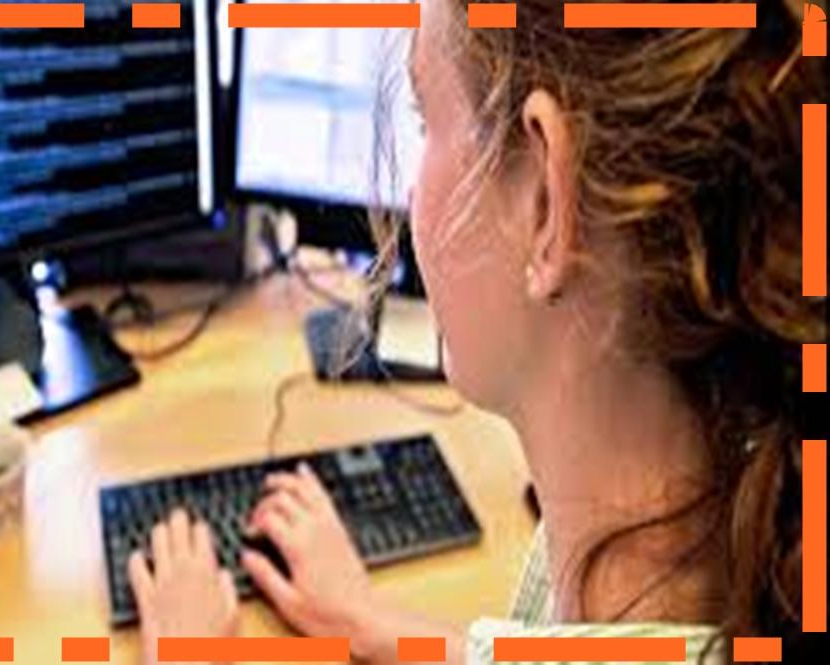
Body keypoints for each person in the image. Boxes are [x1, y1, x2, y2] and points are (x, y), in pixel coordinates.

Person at [126, 0, 824, 663]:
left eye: (425, 118)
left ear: (545, 202)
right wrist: (366, 620)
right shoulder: (714, 529)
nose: (410, 193)